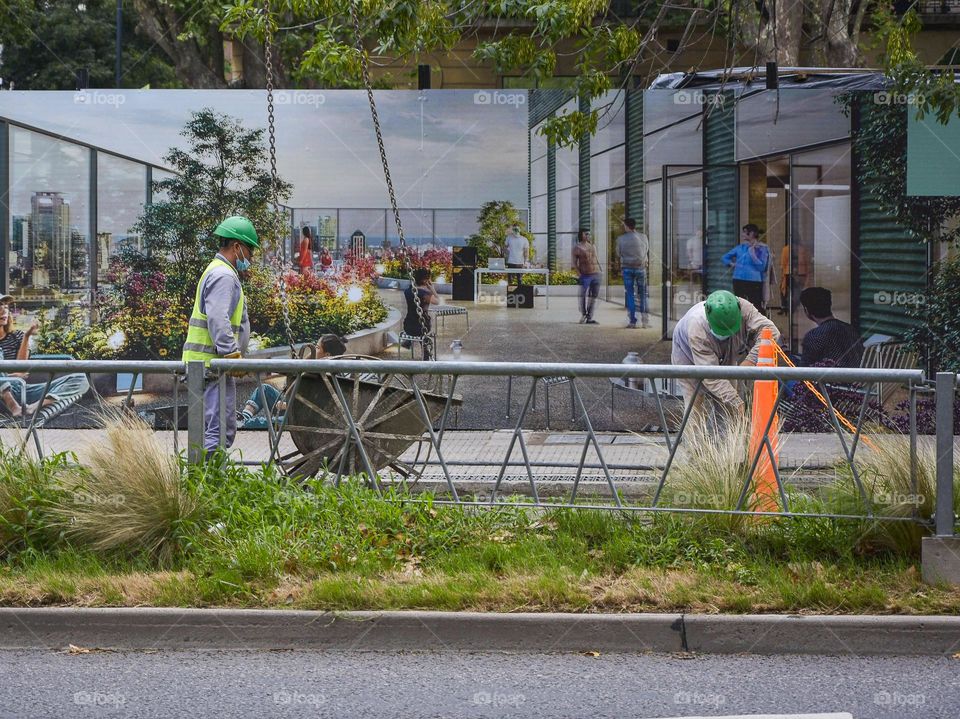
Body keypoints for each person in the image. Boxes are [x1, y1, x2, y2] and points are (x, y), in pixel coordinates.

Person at [182, 215, 258, 456]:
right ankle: (205, 486)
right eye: (250, 250)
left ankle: (200, 482)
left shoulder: (217, 271)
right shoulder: (224, 275)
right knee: (219, 431)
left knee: (212, 428)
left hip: (206, 366)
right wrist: (230, 355)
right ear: (237, 246)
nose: (251, 258)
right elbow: (217, 317)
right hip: (213, 366)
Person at [671, 289, 780, 425]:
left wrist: (750, 360)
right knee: (695, 401)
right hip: (686, 352)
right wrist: (737, 402)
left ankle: (728, 442)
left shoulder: (743, 307)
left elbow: (772, 332)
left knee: (729, 401)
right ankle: (694, 444)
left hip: (727, 351)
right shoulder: (697, 329)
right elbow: (711, 376)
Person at [0, 295, 90, 418]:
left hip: (19, 389)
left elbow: (21, 370)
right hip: (2, 398)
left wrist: (26, 336)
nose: (4, 310)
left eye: (5, 307)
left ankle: (34, 406)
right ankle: (13, 406)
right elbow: (17, 374)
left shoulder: (17, 336)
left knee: (82, 378)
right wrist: (9, 376)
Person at [238, 334, 348, 429]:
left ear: (327, 355)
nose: (314, 349)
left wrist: (286, 405)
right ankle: (244, 417)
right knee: (264, 389)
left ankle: (244, 423)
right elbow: (296, 370)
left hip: (305, 417)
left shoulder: (327, 376)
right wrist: (310, 357)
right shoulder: (316, 367)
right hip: (293, 407)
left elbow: (314, 405)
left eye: (317, 348)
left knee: (266, 422)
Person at [798, 287, 863, 368]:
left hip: (830, 380)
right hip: (857, 379)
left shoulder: (814, 336)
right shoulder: (851, 329)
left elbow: (803, 371)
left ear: (806, 310)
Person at [723, 224, 769, 311]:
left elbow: (762, 267)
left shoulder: (761, 248)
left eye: (744, 232)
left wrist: (754, 254)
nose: (742, 234)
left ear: (751, 233)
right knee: (739, 304)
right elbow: (725, 257)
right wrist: (731, 264)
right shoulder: (740, 247)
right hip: (738, 279)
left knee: (756, 305)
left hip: (754, 281)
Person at [615, 218, 650, 329]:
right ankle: (645, 321)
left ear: (626, 226)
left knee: (630, 294)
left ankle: (633, 321)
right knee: (643, 294)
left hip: (627, 268)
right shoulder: (643, 237)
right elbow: (646, 251)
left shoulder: (621, 239)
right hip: (641, 268)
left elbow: (618, 253)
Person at [402, 268, 440, 359]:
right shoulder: (425, 294)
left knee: (415, 323)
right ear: (425, 280)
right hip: (423, 327)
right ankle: (425, 351)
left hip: (408, 326)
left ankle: (409, 341)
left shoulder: (407, 291)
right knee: (423, 329)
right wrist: (432, 289)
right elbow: (438, 301)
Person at [572, 228, 601, 325]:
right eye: (586, 234)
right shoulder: (577, 248)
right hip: (585, 275)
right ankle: (583, 314)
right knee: (582, 295)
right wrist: (579, 274)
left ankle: (590, 317)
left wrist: (600, 270)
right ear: (581, 235)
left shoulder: (592, 246)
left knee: (594, 296)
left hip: (596, 274)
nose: (588, 235)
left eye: (589, 234)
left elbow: (596, 259)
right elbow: (574, 263)